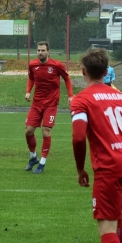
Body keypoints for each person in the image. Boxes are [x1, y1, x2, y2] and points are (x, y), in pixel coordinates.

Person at [70, 48, 122, 243]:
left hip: (110, 167)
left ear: (83, 72)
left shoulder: (81, 100)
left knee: (106, 227)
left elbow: (79, 138)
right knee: (117, 218)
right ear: (106, 72)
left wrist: (80, 169)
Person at [24, 41, 74, 174]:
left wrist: (70, 96)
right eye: (38, 50)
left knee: (46, 130)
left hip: (51, 104)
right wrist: (28, 91)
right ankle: (33, 157)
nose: (40, 52)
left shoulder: (56, 65)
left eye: (43, 50)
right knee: (28, 131)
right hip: (36, 103)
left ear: (48, 51)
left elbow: (67, 79)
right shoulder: (33, 65)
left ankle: (42, 163)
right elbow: (31, 78)